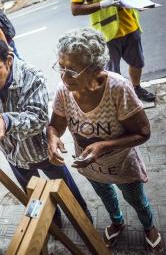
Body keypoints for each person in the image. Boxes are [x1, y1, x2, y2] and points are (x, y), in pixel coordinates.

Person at [47, 28, 163, 252]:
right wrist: (52, 139)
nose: (63, 77)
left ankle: (148, 226)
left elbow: (143, 133)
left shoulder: (118, 89)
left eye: (72, 70)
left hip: (121, 165)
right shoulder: (64, 90)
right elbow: (55, 125)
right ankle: (117, 221)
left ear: (95, 69)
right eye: (61, 67)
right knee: (105, 194)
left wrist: (105, 146)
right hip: (90, 165)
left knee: (136, 199)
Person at [0, 37, 92, 228]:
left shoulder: (32, 76)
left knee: (66, 190)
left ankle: (83, 219)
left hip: (42, 150)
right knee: (35, 195)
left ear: (8, 60)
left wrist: (6, 120)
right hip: (13, 155)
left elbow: (38, 118)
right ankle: (53, 223)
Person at [71, 0, 155, 102]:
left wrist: (140, 0)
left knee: (138, 63)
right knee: (112, 74)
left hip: (131, 27)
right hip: (107, 34)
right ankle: (118, 100)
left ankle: (136, 88)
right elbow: (75, 9)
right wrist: (102, 4)